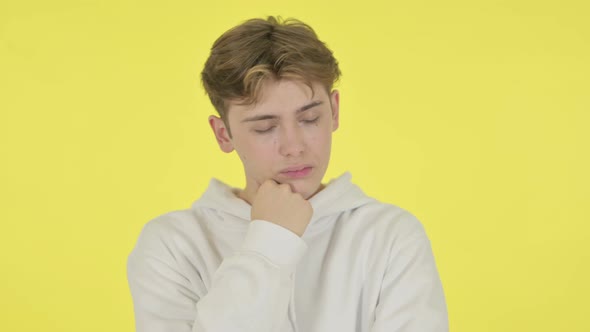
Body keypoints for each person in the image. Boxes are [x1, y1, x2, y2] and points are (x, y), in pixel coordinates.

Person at [127, 16, 448, 332]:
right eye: (265, 127)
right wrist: (269, 242)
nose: (294, 147)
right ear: (223, 134)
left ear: (334, 111)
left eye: (309, 119)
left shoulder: (390, 235)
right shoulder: (173, 245)